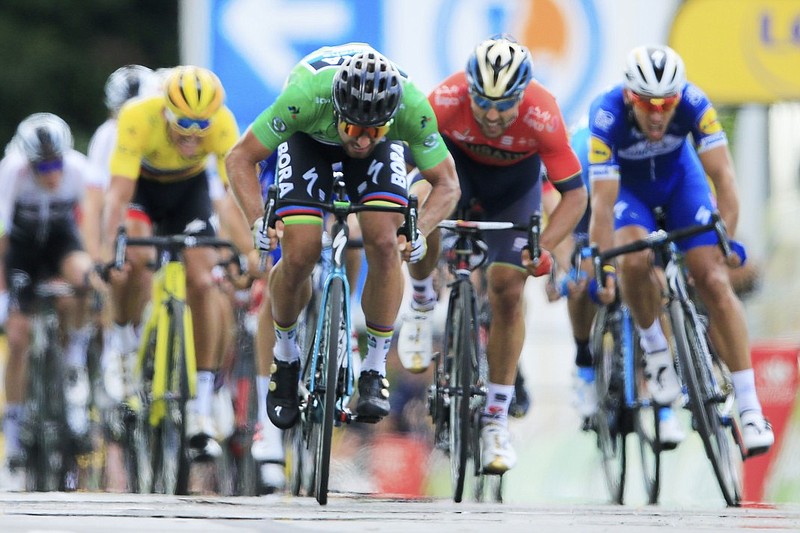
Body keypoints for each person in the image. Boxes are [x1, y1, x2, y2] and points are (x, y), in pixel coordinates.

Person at [226, 43, 460, 431]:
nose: (363, 139)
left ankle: (373, 370)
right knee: (299, 250)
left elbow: (448, 184)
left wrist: (423, 231)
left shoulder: (411, 108)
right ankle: (285, 358)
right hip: (309, 144)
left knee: (386, 243)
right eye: (354, 128)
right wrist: (256, 219)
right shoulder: (303, 97)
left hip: (380, 161)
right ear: (337, 110)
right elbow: (239, 157)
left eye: (375, 130)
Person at [398, 35, 587, 474]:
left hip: (512, 193)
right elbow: (402, 166)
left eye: (506, 105)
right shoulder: (445, 98)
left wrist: (543, 248)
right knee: (419, 207)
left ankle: (496, 420)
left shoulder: (543, 111)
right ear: (469, 89)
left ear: (523, 95)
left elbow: (573, 198)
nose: (494, 114)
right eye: (484, 102)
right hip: (453, 179)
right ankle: (422, 305)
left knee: (506, 290)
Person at [587, 44, 774, 455]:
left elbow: (724, 179)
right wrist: (602, 266)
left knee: (711, 277)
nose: (657, 114)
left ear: (679, 96)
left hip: (680, 185)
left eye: (666, 104)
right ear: (628, 97)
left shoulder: (695, 103)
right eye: (647, 104)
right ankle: (656, 349)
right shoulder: (605, 115)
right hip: (630, 193)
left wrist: (724, 241)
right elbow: (602, 204)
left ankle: (749, 405)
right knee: (633, 258)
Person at [101, 65, 241, 460]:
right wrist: (109, 248)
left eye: (202, 124)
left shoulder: (222, 124)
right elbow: (117, 194)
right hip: (142, 189)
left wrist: (249, 249)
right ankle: (124, 345)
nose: (193, 134)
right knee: (137, 257)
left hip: (189, 192)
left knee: (203, 280)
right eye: (183, 122)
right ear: (164, 110)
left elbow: (235, 196)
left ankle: (200, 407)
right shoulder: (137, 117)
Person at [546, 120, 686, 447]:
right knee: (582, 277)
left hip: (636, 204)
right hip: (587, 210)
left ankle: (662, 399)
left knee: (655, 283)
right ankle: (584, 363)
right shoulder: (578, 159)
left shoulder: (645, 157)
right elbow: (563, 225)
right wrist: (568, 267)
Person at [0, 113, 101, 471]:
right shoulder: (12, 171)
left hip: (60, 242)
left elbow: (90, 221)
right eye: (42, 166)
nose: (51, 173)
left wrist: (91, 270)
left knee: (84, 277)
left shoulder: (77, 168)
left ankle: (73, 357)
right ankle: (12, 427)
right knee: (18, 336)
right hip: (21, 249)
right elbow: (2, 234)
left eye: (56, 163)